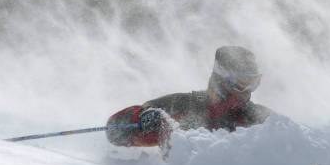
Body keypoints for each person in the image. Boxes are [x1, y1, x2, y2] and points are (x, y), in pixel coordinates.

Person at [106, 46, 271, 148]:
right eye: (243, 82)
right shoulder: (183, 106)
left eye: (253, 82)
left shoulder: (257, 118)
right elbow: (113, 131)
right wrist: (139, 120)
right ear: (222, 80)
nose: (248, 90)